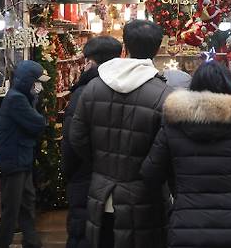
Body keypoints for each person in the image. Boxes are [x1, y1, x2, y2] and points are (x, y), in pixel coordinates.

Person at [140, 61, 231, 248]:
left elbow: (150, 174)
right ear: (230, 87)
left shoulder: (173, 128)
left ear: (194, 87)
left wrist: (175, 179)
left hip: (185, 226)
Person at [69, 20, 172, 248]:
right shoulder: (164, 95)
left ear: (125, 46)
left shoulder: (95, 86)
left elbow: (76, 136)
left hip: (101, 193)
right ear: (157, 49)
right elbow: (166, 149)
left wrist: (101, 163)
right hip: (145, 199)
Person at [62, 36, 122, 248]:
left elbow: (71, 141)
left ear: (90, 61)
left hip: (85, 176)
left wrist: (71, 172)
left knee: (84, 233)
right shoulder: (126, 88)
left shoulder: (83, 92)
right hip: (120, 180)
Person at [0, 60, 50, 248]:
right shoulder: (17, 99)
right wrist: (38, 110)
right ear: (28, 81)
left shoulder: (20, 97)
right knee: (12, 208)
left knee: (26, 203)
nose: (39, 86)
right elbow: (38, 123)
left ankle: (32, 242)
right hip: (15, 159)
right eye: (37, 82)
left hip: (21, 158)